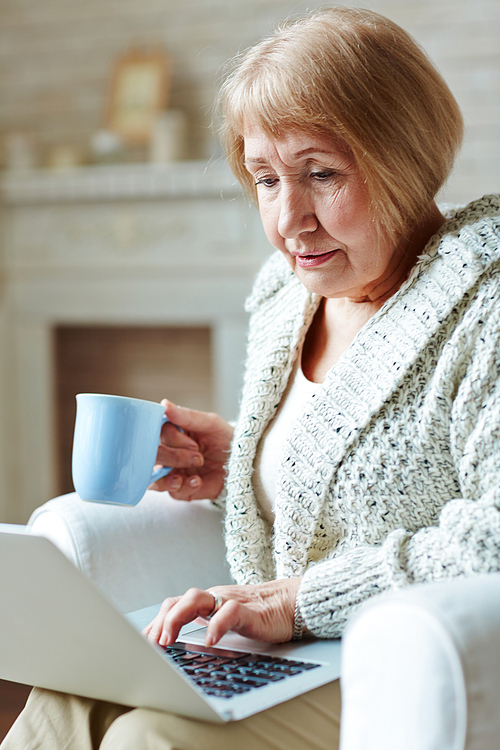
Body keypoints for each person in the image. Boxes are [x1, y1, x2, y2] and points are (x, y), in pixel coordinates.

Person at [4, 5, 500, 749]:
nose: (289, 218)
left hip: (393, 670)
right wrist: (244, 461)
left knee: (147, 736)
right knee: (67, 702)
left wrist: (300, 602)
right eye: (266, 178)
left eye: (321, 173)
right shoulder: (287, 293)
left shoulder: (483, 301)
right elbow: (365, 467)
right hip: (276, 656)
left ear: (406, 157)